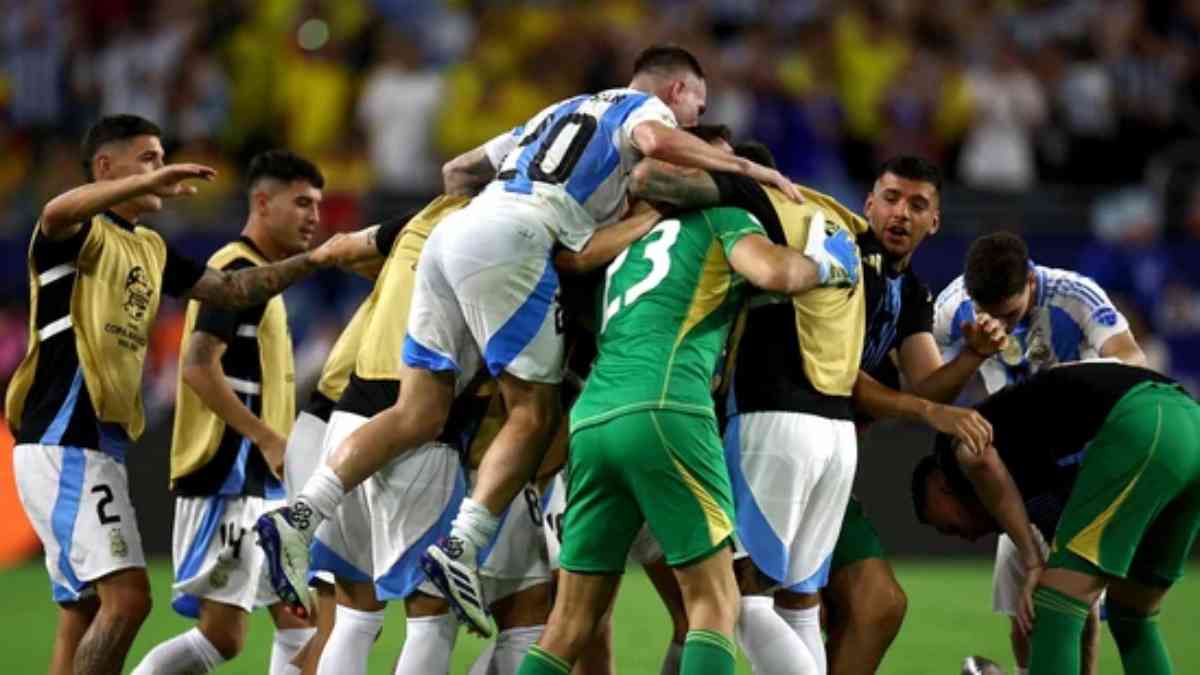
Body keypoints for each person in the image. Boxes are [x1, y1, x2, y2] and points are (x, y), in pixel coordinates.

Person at [260, 44, 813, 638]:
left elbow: (456, 174)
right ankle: (461, 547)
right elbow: (653, 148)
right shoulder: (642, 111)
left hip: (459, 232)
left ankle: (301, 513)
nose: (695, 125)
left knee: (418, 409)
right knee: (533, 410)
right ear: (675, 92)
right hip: (516, 241)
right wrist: (746, 170)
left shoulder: (558, 112)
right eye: (696, 110)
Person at [6, 114, 350, 675]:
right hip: (62, 436)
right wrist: (141, 186)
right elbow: (54, 212)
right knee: (128, 599)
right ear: (105, 167)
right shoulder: (78, 235)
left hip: (100, 443)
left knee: (84, 609)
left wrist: (314, 261)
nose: (160, 170)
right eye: (148, 159)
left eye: (161, 160)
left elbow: (233, 289)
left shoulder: (152, 250)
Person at [516, 193, 860, 675]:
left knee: (569, 623)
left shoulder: (626, 251)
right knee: (717, 604)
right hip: (667, 408)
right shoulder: (723, 220)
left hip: (592, 419)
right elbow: (777, 274)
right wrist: (825, 268)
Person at [129, 149, 325, 674]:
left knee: (302, 618)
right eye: (302, 202)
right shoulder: (235, 271)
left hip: (262, 482)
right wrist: (265, 436)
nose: (315, 217)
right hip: (228, 474)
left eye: (319, 205)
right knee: (222, 637)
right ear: (262, 202)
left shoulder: (263, 276)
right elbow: (196, 367)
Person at [933, 231, 1147, 675]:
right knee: (1024, 613)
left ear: (1030, 280)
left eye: (1009, 314)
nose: (1003, 327)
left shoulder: (1076, 295)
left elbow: (1135, 361)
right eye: (992, 315)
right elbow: (925, 380)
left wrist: (1064, 380)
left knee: (1070, 599)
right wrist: (972, 353)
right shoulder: (954, 307)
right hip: (1016, 476)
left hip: (1082, 469)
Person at [913, 361, 1199, 675]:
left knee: (1054, 600)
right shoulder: (1045, 502)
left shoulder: (948, 450)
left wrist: (1032, 561)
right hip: (1189, 425)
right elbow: (1081, 603)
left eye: (947, 527)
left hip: (1145, 421)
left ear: (940, 487)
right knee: (1132, 614)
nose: (964, 537)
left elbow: (979, 459)